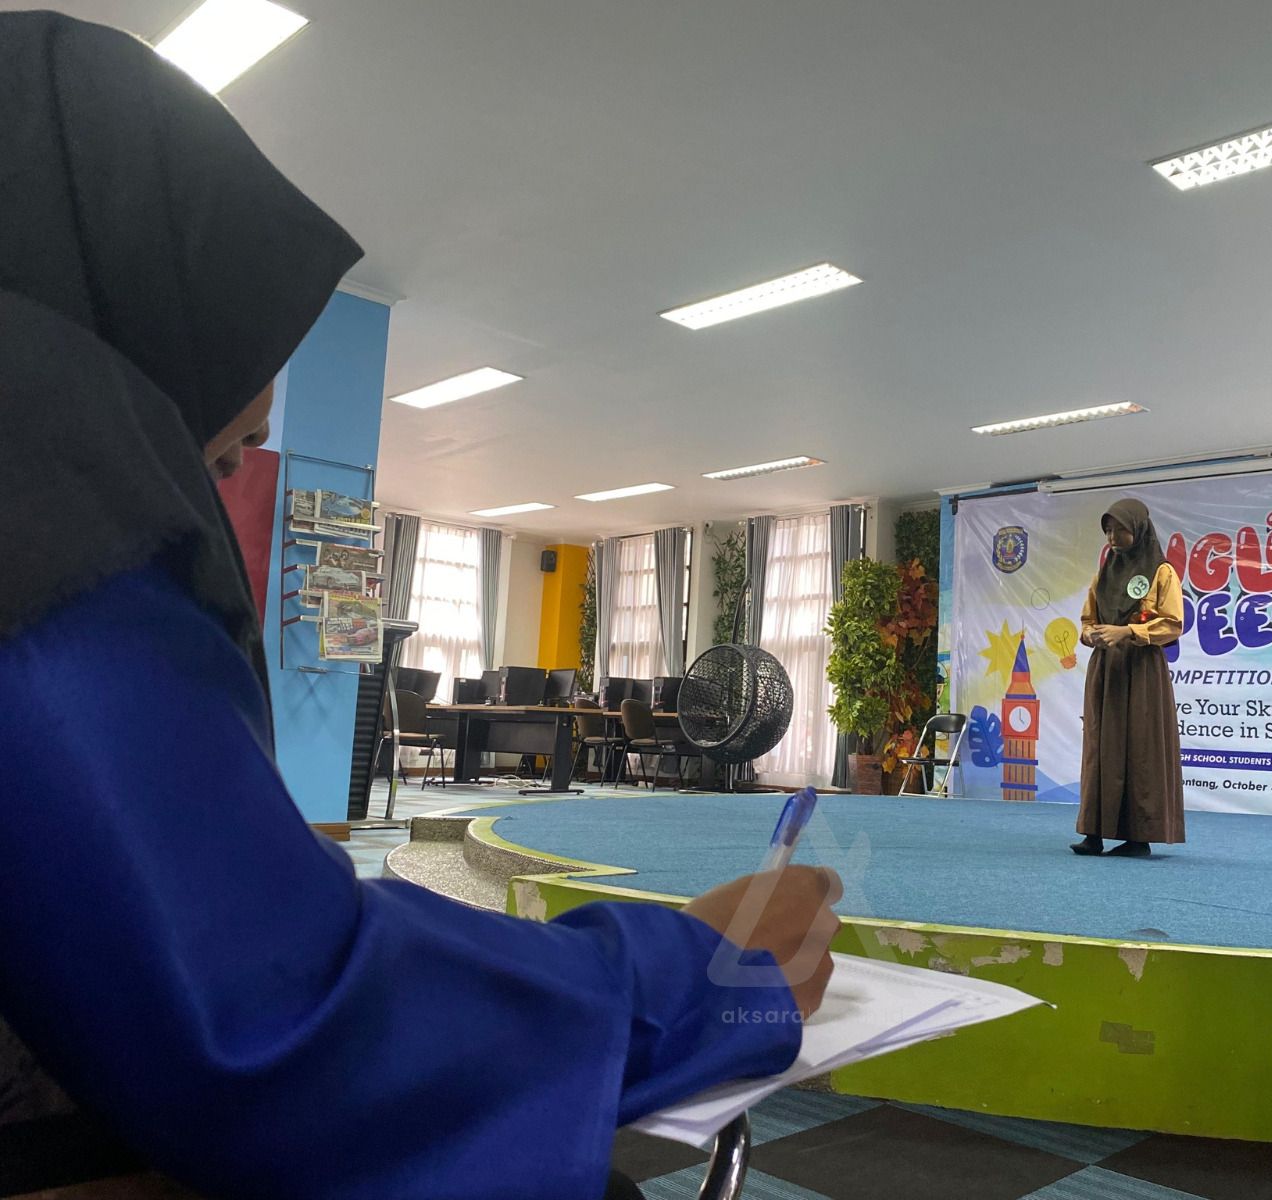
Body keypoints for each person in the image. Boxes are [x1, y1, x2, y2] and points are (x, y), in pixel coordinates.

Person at [0, 14, 839, 1200]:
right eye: (223, 454)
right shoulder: (43, 485)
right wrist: (699, 976)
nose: (231, 468)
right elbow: (275, 1029)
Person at [1072, 498, 1186, 858]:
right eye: (1108, 530)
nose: (1112, 537)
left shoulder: (1161, 572)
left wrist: (1128, 632)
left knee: (1141, 747)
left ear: (1138, 528)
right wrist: (1090, 635)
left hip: (1142, 670)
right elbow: (1087, 620)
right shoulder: (1104, 574)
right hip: (1106, 670)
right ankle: (1093, 832)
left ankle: (1139, 838)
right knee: (1099, 746)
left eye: (1119, 529)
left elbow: (1173, 623)